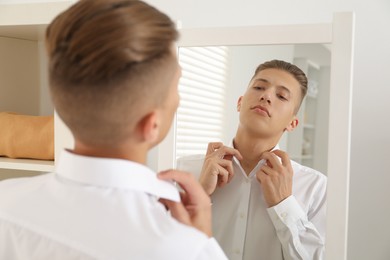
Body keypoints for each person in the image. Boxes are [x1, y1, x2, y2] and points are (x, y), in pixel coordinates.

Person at [0, 0, 227, 259]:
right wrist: (200, 244)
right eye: (176, 84)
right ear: (151, 125)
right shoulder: (182, 248)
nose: (179, 98)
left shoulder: (4, 204)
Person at [177, 60, 327, 260]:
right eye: (258, 87)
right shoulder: (187, 169)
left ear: (292, 123)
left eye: (281, 96)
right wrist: (199, 195)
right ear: (239, 102)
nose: (266, 96)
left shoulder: (315, 187)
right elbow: (162, 248)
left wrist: (284, 205)